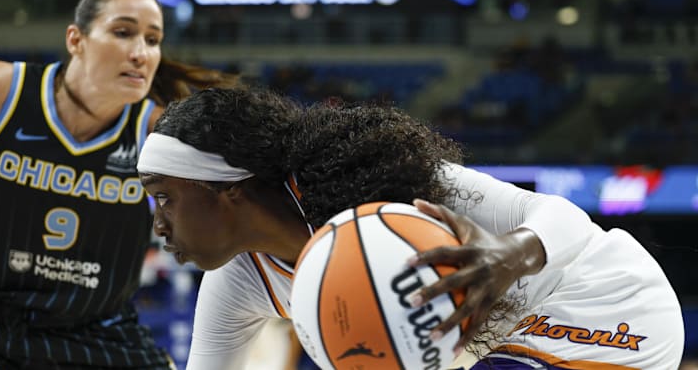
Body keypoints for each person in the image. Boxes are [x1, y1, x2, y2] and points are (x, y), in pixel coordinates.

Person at [136, 87, 684, 370]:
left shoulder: (381, 192)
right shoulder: (236, 283)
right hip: (516, 351)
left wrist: (507, 256)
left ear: (227, 187)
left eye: (165, 198)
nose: (158, 224)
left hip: (605, 302)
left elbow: (563, 216)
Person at [0, 0, 237, 369]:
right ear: (75, 40)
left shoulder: (159, 134)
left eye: (153, 40)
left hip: (98, 336)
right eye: (123, 32)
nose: (141, 53)